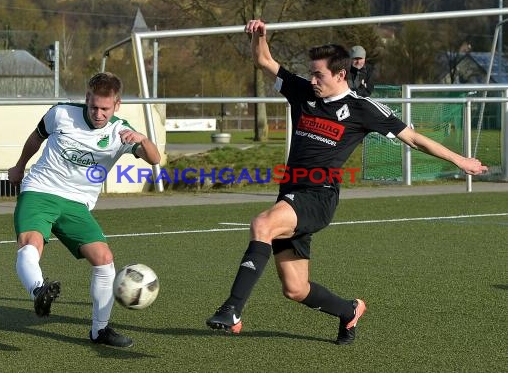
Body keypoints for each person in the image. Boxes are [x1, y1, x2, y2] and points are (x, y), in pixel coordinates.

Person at [205, 19, 488, 345]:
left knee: (262, 224)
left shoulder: (361, 109)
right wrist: (260, 36)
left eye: (319, 75)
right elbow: (264, 61)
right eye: (311, 73)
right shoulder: (302, 92)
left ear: (340, 75)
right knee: (295, 289)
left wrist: (460, 160)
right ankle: (348, 311)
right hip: (292, 194)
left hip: (318, 197)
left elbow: (414, 139)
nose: (313, 80)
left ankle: (232, 309)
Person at [8, 72, 161, 348]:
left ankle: (99, 331)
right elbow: (35, 138)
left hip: (77, 204)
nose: (98, 114)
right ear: (87, 99)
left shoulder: (120, 132)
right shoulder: (61, 114)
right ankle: (38, 291)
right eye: (94, 107)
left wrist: (143, 139)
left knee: (104, 258)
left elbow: (154, 158)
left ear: (117, 105)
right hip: (40, 190)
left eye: (105, 108)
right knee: (30, 242)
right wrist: (19, 166)